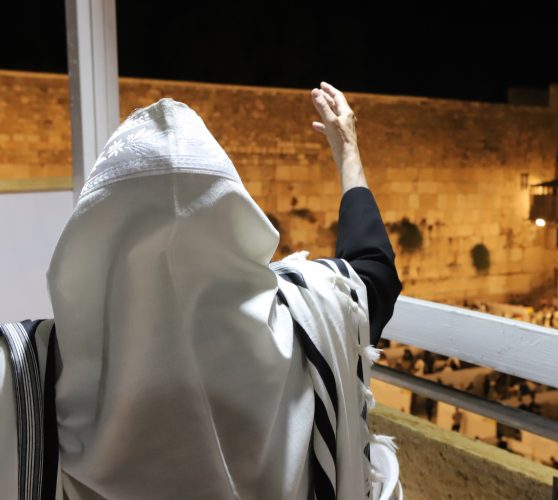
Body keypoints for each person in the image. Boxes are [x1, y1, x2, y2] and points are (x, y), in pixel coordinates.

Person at [1, 83, 403, 499]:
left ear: (94, 233)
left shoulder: (34, 369)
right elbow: (371, 273)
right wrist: (347, 153)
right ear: (234, 214)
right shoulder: (304, 323)